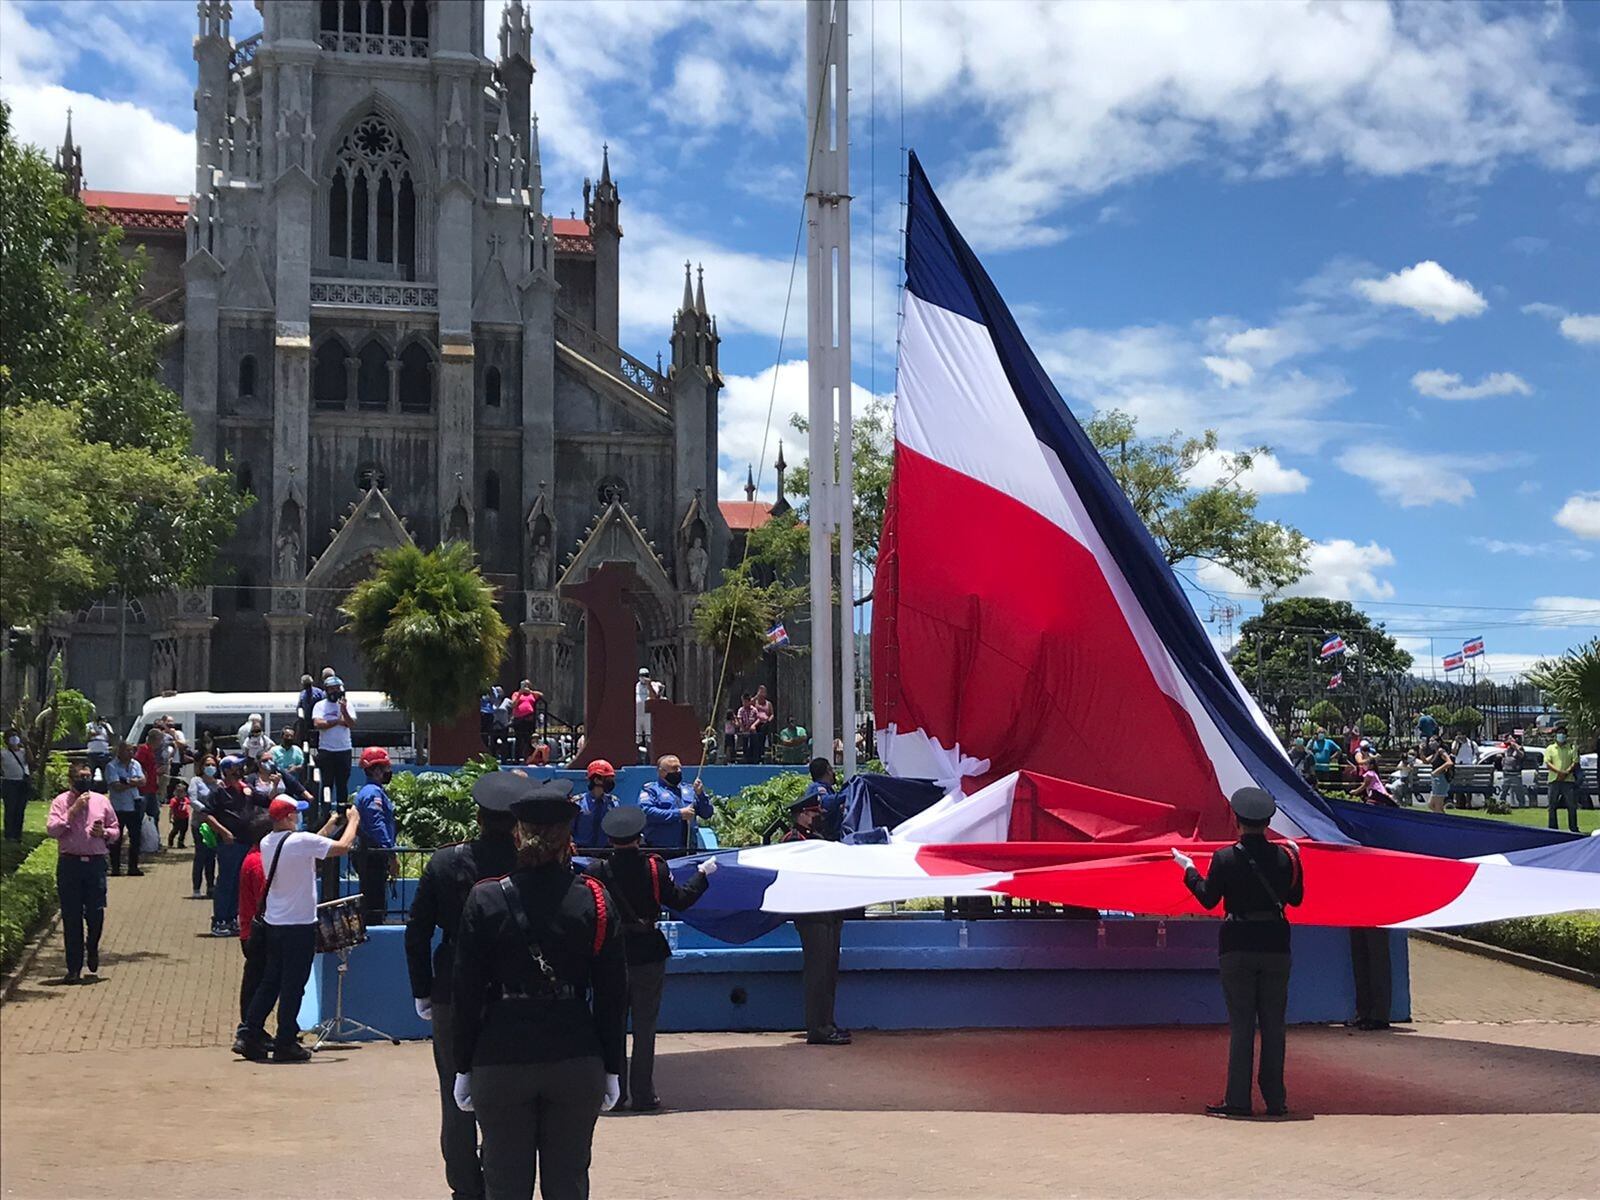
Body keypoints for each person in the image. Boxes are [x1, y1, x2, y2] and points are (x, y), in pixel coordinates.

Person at [450, 778, 627, 1199]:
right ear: (568, 838)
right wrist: (614, 1066)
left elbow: (466, 992)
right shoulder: (594, 900)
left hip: (501, 1056)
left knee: (505, 1184)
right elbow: (612, 993)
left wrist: (462, 1065)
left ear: (517, 833)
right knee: (568, 1184)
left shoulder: (486, 899)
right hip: (575, 1054)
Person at [406, 772, 523, 1200]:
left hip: (451, 987)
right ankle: (496, 1177)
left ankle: (464, 1184)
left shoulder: (443, 862)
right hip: (510, 989)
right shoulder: (525, 864)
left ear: (477, 817)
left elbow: (416, 932)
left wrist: (422, 989)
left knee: (453, 1092)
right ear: (515, 822)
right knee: (502, 1093)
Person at [1172, 786, 1303, 1118]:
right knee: (1274, 1025)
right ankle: (1276, 1100)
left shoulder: (1225, 858)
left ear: (1237, 820)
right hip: (1276, 944)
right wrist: (1298, 859)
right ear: (1267, 821)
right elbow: (1297, 899)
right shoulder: (1287, 856)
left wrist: (1188, 870)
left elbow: (1207, 899)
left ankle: (1238, 1100)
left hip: (1238, 944)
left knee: (1242, 1025)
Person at [583, 806, 716, 1111]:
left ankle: (614, 1095)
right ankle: (643, 1094)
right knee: (645, 1027)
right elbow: (681, 899)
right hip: (648, 951)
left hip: (611, 954)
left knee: (611, 1025)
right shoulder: (655, 869)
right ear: (639, 837)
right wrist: (701, 875)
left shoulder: (595, 872)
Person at [237, 796, 361, 1062]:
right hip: (298, 926)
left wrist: (330, 825)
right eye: (295, 813)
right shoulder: (300, 842)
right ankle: (285, 1042)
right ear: (286, 818)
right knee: (293, 986)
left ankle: (250, 1032)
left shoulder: (271, 842)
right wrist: (353, 822)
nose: (298, 817)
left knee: (271, 982)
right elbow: (342, 847)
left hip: (275, 924)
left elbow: (309, 844)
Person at [782, 794, 850, 1045]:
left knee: (829, 970)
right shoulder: (793, 841)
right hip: (811, 915)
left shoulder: (817, 840)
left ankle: (827, 1022)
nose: (816, 818)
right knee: (818, 972)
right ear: (801, 815)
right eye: (812, 814)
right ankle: (818, 1027)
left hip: (829, 913)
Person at [45, 763, 121, 984]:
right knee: (71, 917)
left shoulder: (102, 801)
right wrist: (73, 810)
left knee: (96, 913)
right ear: (71, 780)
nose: (85, 781)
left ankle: (93, 946)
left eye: (88, 777)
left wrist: (105, 832)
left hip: (95, 864)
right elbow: (52, 830)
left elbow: (116, 830)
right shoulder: (61, 802)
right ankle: (73, 968)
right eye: (81, 777)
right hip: (70, 865)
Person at [200, 756, 255, 936]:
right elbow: (207, 814)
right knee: (226, 882)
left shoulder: (246, 790)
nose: (240, 769)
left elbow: (266, 800)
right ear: (228, 770)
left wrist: (277, 785)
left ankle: (232, 918)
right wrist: (223, 832)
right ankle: (219, 920)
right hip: (229, 844)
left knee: (239, 883)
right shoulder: (218, 792)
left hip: (246, 842)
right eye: (236, 767)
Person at [235, 814, 274, 1039]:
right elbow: (264, 899)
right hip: (257, 932)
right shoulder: (259, 862)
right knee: (260, 983)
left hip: (252, 929)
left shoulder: (254, 857)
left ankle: (253, 1028)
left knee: (255, 980)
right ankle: (250, 1029)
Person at [354, 746, 399, 926]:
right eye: (386, 768)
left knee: (375, 900)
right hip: (372, 854)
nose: (389, 772)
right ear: (376, 770)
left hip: (371, 853)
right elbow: (377, 826)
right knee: (374, 904)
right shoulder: (373, 794)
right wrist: (391, 854)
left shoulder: (372, 791)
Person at [637, 755, 714, 849]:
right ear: (661, 772)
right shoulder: (652, 790)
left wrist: (700, 795)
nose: (678, 771)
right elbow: (646, 812)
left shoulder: (689, 789)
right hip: (662, 850)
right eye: (674, 768)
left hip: (688, 849)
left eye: (679, 768)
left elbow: (707, 813)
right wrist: (679, 814)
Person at [313, 676, 357, 811]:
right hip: (326, 750)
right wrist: (337, 721)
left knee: (342, 783)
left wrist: (344, 711)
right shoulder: (320, 706)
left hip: (343, 750)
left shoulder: (347, 705)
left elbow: (351, 724)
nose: (335, 691)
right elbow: (318, 723)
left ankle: (342, 812)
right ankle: (325, 811)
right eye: (332, 689)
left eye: (337, 689)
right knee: (327, 783)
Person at [104, 740, 146, 877]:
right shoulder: (111, 766)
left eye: (132, 750)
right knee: (116, 839)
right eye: (128, 750)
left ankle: (133, 867)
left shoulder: (136, 764)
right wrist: (133, 783)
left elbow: (143, 781)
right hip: (119, 807)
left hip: (135, 805)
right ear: (120, 751)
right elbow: (116, 786)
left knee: (136, 838)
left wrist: (126, 781)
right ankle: (115, 868)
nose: (131, 753)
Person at [188, 754, 221, 899]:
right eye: (207, 765)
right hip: (199, 824)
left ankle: (211, 887)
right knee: (201, 855)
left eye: (213, 765)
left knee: (211, 856)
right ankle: (196, 888)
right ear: (201, 767)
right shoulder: (196, 781)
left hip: (214, 825)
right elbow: (193, 800)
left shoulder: (219, 783)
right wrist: (206, 810)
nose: (210, 767)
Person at [1348, 927, 1393, 1032]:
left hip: (1377, 916)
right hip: (1357, 914)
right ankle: (1364, 1014)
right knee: (1360, 961)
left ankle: (1379, 1016)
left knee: (1378, 961)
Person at [572, 760, 617, 849]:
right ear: (596, 780)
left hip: (605, 853)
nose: (611, 782)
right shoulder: (578, 803)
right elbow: (569, 830)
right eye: (607, 778)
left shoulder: (613, 803)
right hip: (581, 853)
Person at [1545, 724, 1581, 834]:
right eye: (1559, 733)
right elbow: (1547, 763)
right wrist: (1559, 772)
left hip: (1568, 780)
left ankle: (1573, 828)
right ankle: (1552, 828)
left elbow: (1575, 762)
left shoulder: (1571, 748)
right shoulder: (1550, 748)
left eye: (1563, 733)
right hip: (1554, 780)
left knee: (1571, 805)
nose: (1561, 735)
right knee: (1552, 806)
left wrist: (1566, 772)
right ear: (1555, 735)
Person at [803, 756, 846, 840]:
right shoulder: (816, 788)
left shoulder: (827, 789)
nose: (833, 772)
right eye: (831, 769)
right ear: (828, 771)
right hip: (825, 838)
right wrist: (847, 793)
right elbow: (826, 803)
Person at [3, 729, 31, 842]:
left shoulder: (23, 752)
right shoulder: (3, 753)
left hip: (22, 783)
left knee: (20, 809)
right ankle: (9, 834)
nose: (14, 739)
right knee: (10, 808)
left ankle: (17, 834)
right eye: (11, 737)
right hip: (9, 782)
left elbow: (31, 761)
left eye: (16, 736)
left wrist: (26, 744)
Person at [510, 680, 541, 761]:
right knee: (519, 739)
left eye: (527, 685)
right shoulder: (516, 694)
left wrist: (530, 691)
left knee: (529, 739)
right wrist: (520, 693)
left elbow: (540, 695)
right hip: (519, 719)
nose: (526, 687)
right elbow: (513, 704)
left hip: (529, 719)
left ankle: (529, 758)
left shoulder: (532, 694)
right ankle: (517, 759)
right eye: (524, 685)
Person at [634, 668, 662, 757]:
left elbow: (654, 698)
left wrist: (648, 685)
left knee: (649, 738)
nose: (643, 677)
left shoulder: (654, 685)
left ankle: (649, 758)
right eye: (642, 675)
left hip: (648, 715)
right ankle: (637, 758)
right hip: (638, 715)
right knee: (637, 737)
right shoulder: (636, 686)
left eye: (646, 675)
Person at [1497, 735, 1529, 809]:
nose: (1509, 741)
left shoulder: (1519, 748)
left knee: (1519, 792)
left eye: (1511, 739)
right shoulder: (1506, 749)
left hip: (1515, 774)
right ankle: (1501, 806)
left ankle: (1522, 806)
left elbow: (1522, 756)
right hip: (1506, 773)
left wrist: (1516, 748)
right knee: (1503, 792)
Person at [295, 674, 325, 749]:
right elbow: (299, 707)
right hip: (306, 722)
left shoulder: (318, 692)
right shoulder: (303, 694)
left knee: (319, 741)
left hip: (317, 720)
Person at [1426, 741, 1454, 815]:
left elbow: (1449, 762)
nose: (1430, 742)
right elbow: (1425, 761)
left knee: (1437, 807)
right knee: (1431, 805)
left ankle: (1441, 823)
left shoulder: (1441, 751)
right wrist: (1421, 751)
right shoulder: (1435, 753)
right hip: (1436, 780)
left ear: (1438, 742)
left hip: (1441, 780)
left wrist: (1436, 772)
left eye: (1432, 740)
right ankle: (1445, 821)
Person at [85, 716, 115, 783]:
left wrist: (106, 727)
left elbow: (112, 736)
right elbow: (86, 738)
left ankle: (105, 788)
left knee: (105, 772)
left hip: (104, 752)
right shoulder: (89, 725)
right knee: (91, 772)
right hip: (92, 752)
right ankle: (90, 787)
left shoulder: (107, 725)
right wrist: (91, 734)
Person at [750, 685, 775, 762]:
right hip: (756, 723)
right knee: (755, 737)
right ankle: (754, 755)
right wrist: (756, 696)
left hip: (765, 723)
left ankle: (761, 754)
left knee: (762, 737)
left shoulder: (768, 704)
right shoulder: (755, 702)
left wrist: (769, 720)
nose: (762, 694)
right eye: (761, 692)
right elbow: (749, 703)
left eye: (763, 692)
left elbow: (772, 714)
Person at [166, 778, 191, 848]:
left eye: (182, 792)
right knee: (175, 830)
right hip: (177, 818)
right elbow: (171, 810)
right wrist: (170, 818)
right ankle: (170, 842)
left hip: (185, 817)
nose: (180, 794)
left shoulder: (186, 799)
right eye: (178, 792)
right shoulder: (174, 800)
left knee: (183, 831)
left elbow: (189, 804)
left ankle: (180, 843)